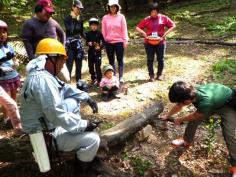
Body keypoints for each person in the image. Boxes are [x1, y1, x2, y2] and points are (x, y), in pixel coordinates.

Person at [20, 38, 100, 177]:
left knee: (73, 101)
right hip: (46, 134)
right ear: (51, 59)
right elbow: (55, 114)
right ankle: (80, 170)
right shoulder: (43, 80)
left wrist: (87, 97)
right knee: (94, 140)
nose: (63, 65)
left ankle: (73, 132)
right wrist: (83, 125)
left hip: (47, 123)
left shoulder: (42, 73)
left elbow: (66, 88)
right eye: (62, 61)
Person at [160, 81, 236, 177]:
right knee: (193, 122)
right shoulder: (189, 92)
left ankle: (235, 166)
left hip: (227, 104)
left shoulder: (205, 101)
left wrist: (180, 119)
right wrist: (168, 115)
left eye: (180, 101)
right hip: (213, 102)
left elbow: (195, 115)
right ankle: (186, 140)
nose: (179, 104)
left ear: (187, 100)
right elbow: (179, 105)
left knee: (229, 135)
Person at [21, 0, 70, 83]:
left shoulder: (53, 22)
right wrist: (33, 60)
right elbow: (27, 42)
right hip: (40, 58)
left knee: (65, 79)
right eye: (47, 12)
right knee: (43, 82)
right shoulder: (29, 24)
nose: (49, 14)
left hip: (57, 55)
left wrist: (62, 48)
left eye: (50, 12)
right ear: (38, 10)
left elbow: (62, 34)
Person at [136, 2, 175, 82]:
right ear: (149, 12)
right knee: (150, 59)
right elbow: (138, 27)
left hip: (160, 42)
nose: (153, 13)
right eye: (152, 12)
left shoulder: (163, 18)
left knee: (160, 59)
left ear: (158, 11)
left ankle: (159, 74)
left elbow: (173, 25)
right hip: (149, 43)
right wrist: (144, 33)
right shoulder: (146, 19)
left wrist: (164, 35)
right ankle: (151, 75)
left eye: (155, 11)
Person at [0, 20, 22, 132]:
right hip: (3, 78)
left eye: (4, 32)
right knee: (6, 100)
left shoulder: (9, 47)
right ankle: (6, 118)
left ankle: (13, 117)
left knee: (14, 96)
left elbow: (14, 58)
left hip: (13, 75)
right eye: (0, 32)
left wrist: (16, 62)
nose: (3, 34)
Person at [102, 0, 128, 83]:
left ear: (117, 7)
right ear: (109, 7)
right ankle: (114, 76)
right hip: (109, 42)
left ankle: (121, 77)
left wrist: (125, 40)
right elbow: (103, 31)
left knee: (120, 60)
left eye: (114, 6)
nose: (113, 8)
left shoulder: (121, 17)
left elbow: (124, 30)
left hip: (119, 41)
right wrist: (104, 43)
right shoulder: (105, 18)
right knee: (111, 61)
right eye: (111, 6)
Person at [64, 0, 85, 81]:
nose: (79, 10)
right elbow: (70, 30)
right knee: (69, 66)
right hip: (70, 46)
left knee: (79, 67)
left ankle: (79, 85)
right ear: (73, 7)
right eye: (78, 8)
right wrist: (74, 19)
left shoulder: (80, 19)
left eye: (80, 9)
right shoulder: (67, 19)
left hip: (79, 46)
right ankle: (67, 85)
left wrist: (91, 38)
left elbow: (81, 32)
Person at [85, 17, 105, 86]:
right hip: (90, 52)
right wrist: (89, 43)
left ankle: (99, 80)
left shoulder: (99, 33)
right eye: (92, 25)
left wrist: (100, 47)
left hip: (97, 52)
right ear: (90, 26)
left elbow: (104, 42)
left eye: (95, 25)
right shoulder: (88, 33)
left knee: (97, 66)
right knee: (90, 66)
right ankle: (93, 79)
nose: (94, 27)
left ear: (97, 26)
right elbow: (86, 42)